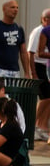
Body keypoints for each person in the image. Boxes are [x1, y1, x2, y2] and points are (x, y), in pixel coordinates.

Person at [30, 9, 50, 140]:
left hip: (45, 66)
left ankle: (41, 127)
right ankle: (33, 127)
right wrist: (33, 73)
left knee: (48, 98)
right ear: (44, 19)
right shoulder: (38, 32)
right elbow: (31, 53)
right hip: (38, 66)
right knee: (44, 98)